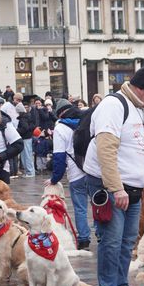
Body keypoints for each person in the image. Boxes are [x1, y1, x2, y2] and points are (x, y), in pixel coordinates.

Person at [84, 66, 144, 286]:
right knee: (111, 242)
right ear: (140, 89)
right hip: (110, 187)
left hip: (133, 189)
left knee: (126, 242)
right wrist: (115, 187)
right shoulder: (113, 105)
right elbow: (106, 151)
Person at [46, 99, 92, 250]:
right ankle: (102, 234)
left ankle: (84, 238)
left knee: (80, 207)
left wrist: (54, 179)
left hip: (76, 173)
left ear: (59, 113)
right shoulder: (86, 119)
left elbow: (59, 157)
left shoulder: (60, 128)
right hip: (93, 169)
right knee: (98, 204)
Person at [15, 102, 35, 178]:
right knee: (27, 155)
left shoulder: (23, 118)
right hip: (28, 137)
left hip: (25, 138)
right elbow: (31, 126)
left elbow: (24, 128)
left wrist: (17, 130)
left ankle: (29, 172)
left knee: (26, 156)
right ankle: (29, 172)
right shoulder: (28, 116)